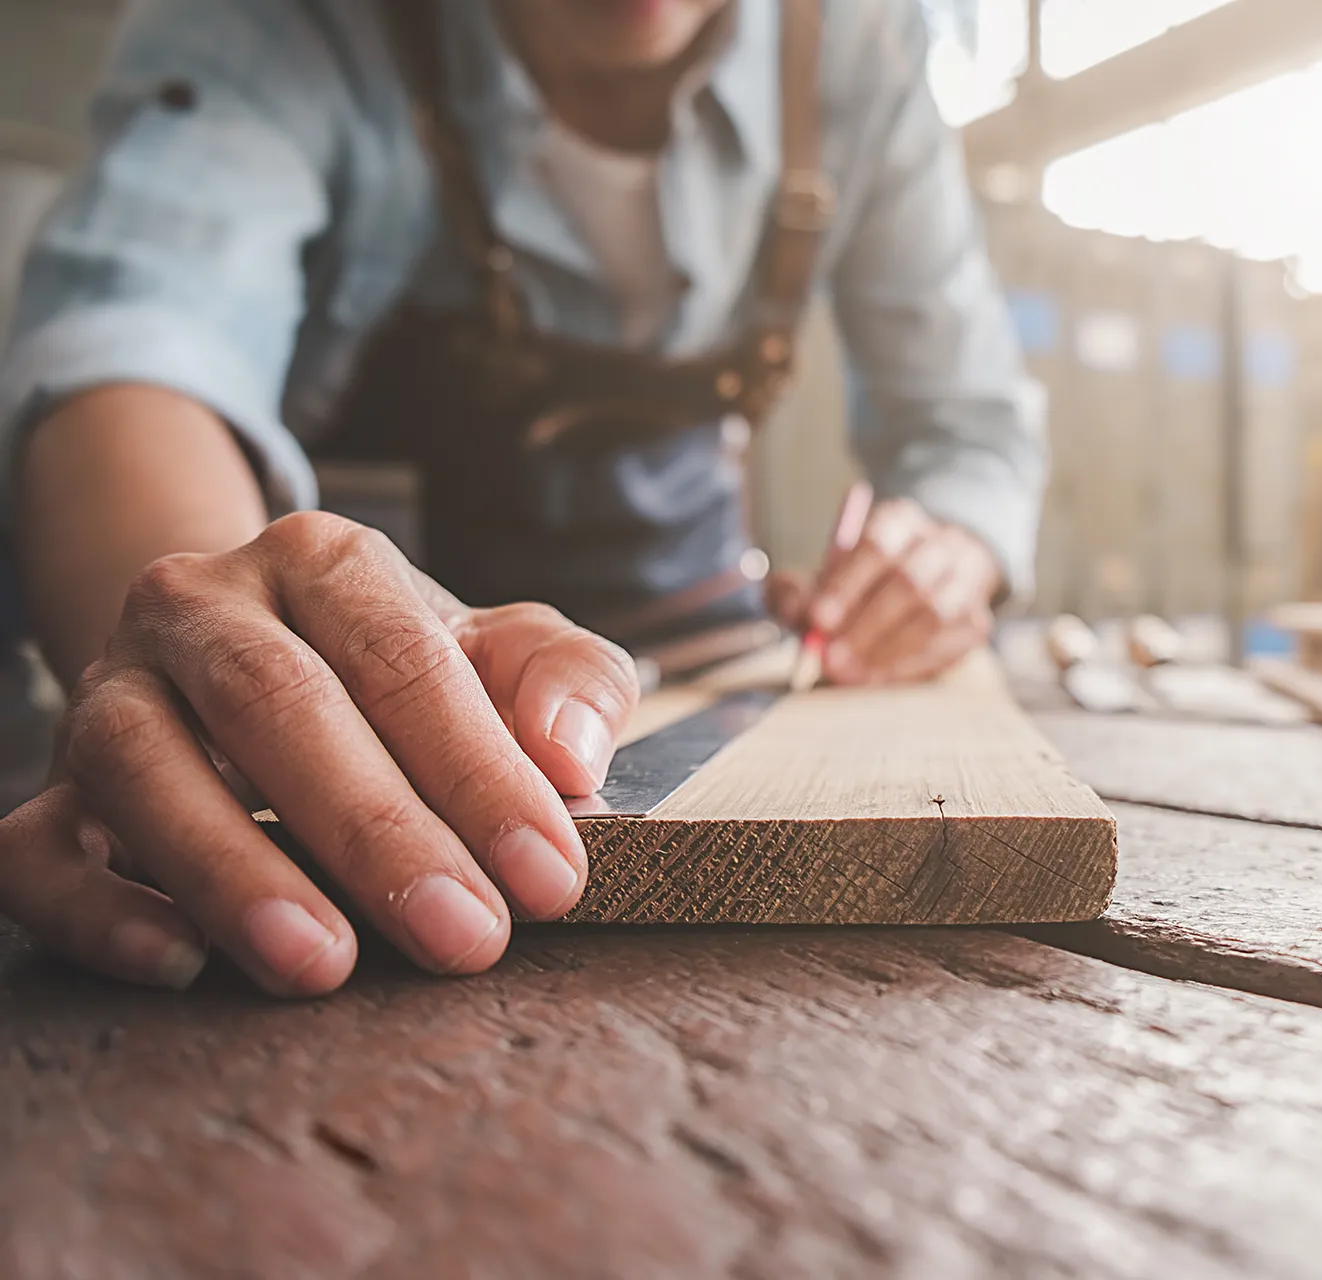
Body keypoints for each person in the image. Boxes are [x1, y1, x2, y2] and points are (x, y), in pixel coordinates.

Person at [0, 0, 1043, 997]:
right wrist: (234, 659)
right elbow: (140, 344)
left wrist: (953, 546)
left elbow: (967, 428)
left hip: (713, 651)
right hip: (385, 687)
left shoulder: (859, 34)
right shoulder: (294, 23)